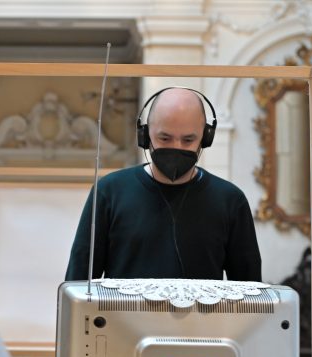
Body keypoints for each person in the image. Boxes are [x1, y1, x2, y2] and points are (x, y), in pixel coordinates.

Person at [65, 87, 261, 281]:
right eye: (165, 138)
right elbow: (77, 282)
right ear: (145, 134)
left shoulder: (230, 201)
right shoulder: (109, 192)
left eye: (188, 140)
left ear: (206, 137)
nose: (176, 147)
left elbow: (250, 293)